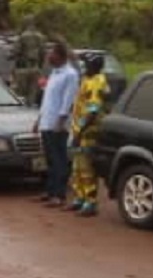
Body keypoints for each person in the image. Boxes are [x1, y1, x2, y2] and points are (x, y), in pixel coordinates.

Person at [34, 42, 79, 208]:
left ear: (61, 56)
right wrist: (38, 120)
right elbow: (47, 100)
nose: (48, 57)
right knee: (49, 159)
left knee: (59, 160)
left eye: (51, 54)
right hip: (47, 121)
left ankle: (59, 195)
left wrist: (60, 121)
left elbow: (68, 100)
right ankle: (50, 191)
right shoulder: (54, 73)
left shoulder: (70, 75)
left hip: (58, 124)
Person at [66, 53, 110, 218]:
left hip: (89, 132)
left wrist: (80, 132)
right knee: (76, 167)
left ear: (95, 66)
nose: (83, 67)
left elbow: (93, 111)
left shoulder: (98, 82)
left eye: (86, 64)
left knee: (87, 168)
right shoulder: (87, 79)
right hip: (78, 129)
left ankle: (90, 202)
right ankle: (80, 197)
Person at [10, 16, 47, 104]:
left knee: (19, 94)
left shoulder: (22, 37)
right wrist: (40, 67)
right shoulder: (41, 37)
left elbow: (16, 51)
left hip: (22, 68)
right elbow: (43, 53)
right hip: (35, 68)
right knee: (32, 93)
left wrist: (10, 56)